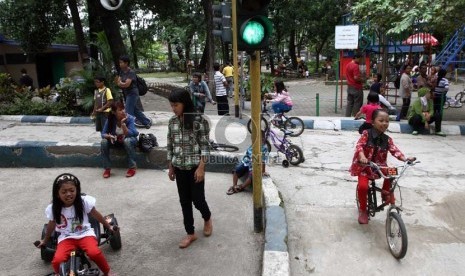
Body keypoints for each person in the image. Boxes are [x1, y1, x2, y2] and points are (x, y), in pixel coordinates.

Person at [35, 173, 116, 276]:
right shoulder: (54, 208)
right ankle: (58, 274)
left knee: (94, 253)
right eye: (64, 192)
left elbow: (96, 214)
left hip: (85, 234)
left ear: (76, 191)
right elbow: (51, 224)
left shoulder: (84, 202)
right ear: (57, 194)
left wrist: (109, 226)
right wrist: (45, 241)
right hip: (66, 237)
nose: (68, 194)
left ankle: (107, 272)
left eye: (72, 191)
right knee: (57, 260)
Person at [350, 109, 415, 224]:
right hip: (365, 166)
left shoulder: (387, 139)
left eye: (387, 121)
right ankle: (363, 210)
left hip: (379, 167)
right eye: (381, 120)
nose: (384, 123)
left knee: (393, 172)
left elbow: (395, 151)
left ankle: (386, 193)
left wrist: (405, 159)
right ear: (373, 122)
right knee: (363, 187)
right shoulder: (366, 134)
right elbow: (359, 146)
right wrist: (362, 157)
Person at [167, 88, 212, 249]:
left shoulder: (198, 121)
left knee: (198, 200)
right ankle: (190, 233)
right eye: (171, 105)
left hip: (195, 168)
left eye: (176, 105)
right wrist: (170, 166)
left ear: (185, 103)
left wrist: (201, 168)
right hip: (179, 168)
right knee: (184, 201)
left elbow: (206, 147)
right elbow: (170, 145)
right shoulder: (172, 122)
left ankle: (207, 218)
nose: (173, 108)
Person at [101, 101, 139, 178]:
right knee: (103, 142)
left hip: (130, 141)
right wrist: (109, 136)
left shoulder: (130, 118)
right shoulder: (111, 119)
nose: (123, 111)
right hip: (116, 141)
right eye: (120, 110)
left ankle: (132, 167)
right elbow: (103, 134)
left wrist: (123, 125)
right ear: (114, 112)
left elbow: (135, 133)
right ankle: (107, 168)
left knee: (127, 141)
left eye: (123, 109)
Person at [116, 55, 152, 129]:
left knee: (128, 111)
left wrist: (121, 84)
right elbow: (118, 82)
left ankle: (130, 128)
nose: (120, 64)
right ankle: (147, 122)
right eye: (119, 63)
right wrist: (122, 83)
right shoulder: (121, 72)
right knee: (135, 110)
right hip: (126, 93)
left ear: (126, 63)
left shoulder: (131, 72)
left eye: (121, 62)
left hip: (133, 93)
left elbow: (127, 84)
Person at [345, 53, 364, 117]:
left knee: (349, 103)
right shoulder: (355, 66)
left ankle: (347, 117)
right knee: (357, 103)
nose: (361, 61)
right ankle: (355, 117)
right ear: (356, 58)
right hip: (356, 87)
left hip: (349, 86)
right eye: (360, 59)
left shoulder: (348, 65)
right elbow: (356, 77)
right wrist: (363, 79)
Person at [432, 68, 449, 137]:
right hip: (441, 97)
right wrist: (443, 91)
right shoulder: (445, 80)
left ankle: (433, 121)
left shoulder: (435, 78)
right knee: (439, 111)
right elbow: (447, 88)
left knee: (433, 109)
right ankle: (438, 126)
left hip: (434, 96)